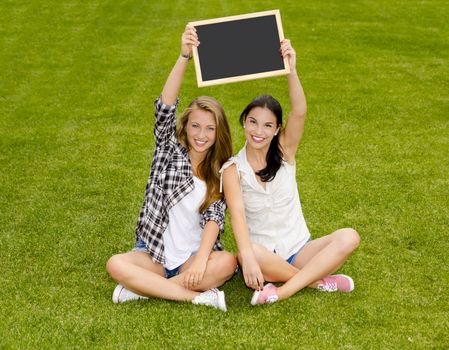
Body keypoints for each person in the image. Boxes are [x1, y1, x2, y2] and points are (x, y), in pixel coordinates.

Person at [106, 25, 236, 312]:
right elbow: (164, 108)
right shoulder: (168, 151)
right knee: (115, 263)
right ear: (185, 127)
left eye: (210, 129)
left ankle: (144, 290)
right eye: (195, 126)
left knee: (227, 262)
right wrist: (184, 57)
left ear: (219, 132)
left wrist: (202, 259)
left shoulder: (222, 170)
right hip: (154, 256)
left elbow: (215, 218)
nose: (201, 135)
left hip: (192, 259)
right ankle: (194, 295)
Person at [221, 39, 360, 305]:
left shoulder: (285, 152)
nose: (258, 131)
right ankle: (318, 280)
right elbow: (236, 214)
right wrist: (246, 257)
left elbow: (300, 111)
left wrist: (291, 70)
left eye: (267, 125)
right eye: (252, 122)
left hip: (300, 249)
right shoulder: (232, 169)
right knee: (249, 252)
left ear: (276, 130)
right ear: (243, 122)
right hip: (264, 258)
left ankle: (282, 291)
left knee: (349, 237)